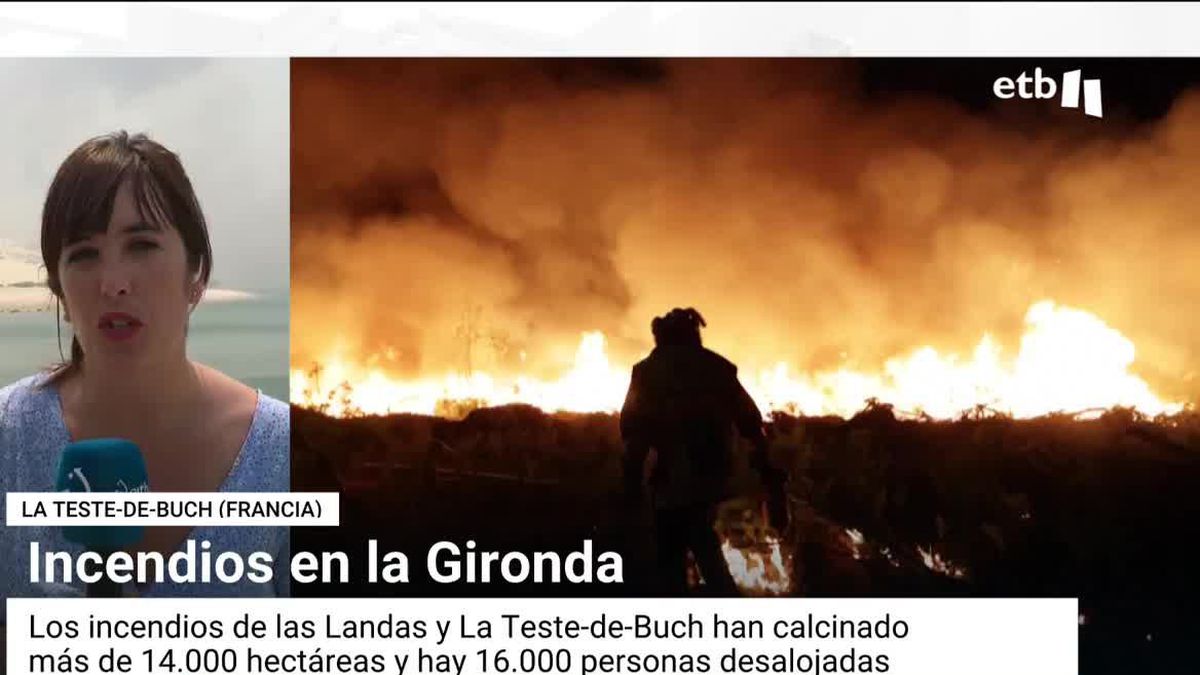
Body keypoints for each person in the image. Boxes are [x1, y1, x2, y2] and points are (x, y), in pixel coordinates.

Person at [0, 132, 289, 613]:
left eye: (141, 246)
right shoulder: (10, 438)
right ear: (60, 290)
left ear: (195, 272)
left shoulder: (283, 451)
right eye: (84, 255)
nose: (113, 284)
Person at [620, 307, 786, 595]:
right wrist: (770, 480)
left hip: (673, 482)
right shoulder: (717, 368)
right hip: (717, 479)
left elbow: (634, 432)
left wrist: (631, 485)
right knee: (702, 547)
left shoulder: (648, 372)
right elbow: (751, 424)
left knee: (675, 558)